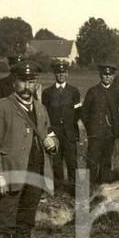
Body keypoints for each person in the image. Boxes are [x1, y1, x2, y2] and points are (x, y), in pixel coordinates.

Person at [0, 59, 60, 238]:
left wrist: (53, 144)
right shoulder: (0, 107)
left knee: (26, 221)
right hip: (10, 175)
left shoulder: (41, 108)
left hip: (35, 173)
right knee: (5, 222)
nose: (27, 87)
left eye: (32, 81)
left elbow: (49, 135)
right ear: (14, 82)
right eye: (23, 82)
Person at [41, 60, 82, 194]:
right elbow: (45, 114)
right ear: (54, 74)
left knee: (72, 162)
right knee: (57, 163)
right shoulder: (47, 92)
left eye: (63, 72)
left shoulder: (73, 91)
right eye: (58, 73)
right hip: (55, 134)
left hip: (70, 133)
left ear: (67, 74)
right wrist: (49, 131)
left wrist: (73, 127)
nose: (61, 75)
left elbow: (78, 112)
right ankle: (58, 190)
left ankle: (74, 190)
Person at [80, 63, 119, 189]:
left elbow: (118, 112)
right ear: (100, 75)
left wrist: (117, 129)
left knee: (106, 161)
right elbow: (84, 113)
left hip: (109, 133)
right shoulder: (93, 91)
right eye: (105, 74)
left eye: (109, 75)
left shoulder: (116, 92)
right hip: (96, 133)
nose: (107, 77)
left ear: (113, 76)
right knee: (92, 161)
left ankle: (103, 187)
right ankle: (89, 188)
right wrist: (91, 129)